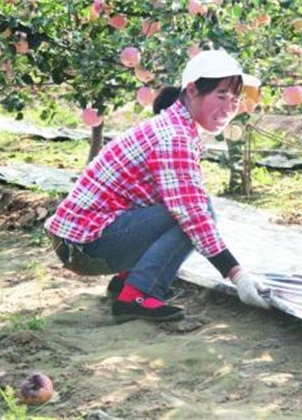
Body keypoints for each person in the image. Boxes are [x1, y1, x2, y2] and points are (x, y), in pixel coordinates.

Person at [44, 49, 271, 323]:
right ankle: (138, 294)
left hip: (79, 240)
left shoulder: (173, 126)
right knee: (196, 213)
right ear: (192, 89)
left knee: (186, 205)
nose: (228, 107)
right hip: (86, 245)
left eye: (235, 99)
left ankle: (126, 281)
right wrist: (237, 275)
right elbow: (192, 215)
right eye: (221, 95)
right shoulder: (174, 136)